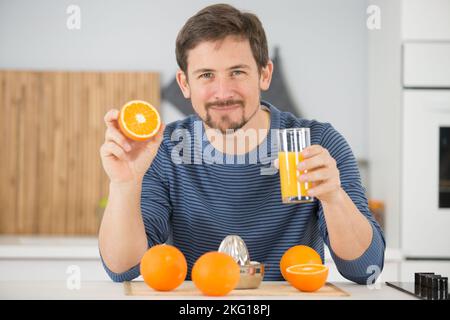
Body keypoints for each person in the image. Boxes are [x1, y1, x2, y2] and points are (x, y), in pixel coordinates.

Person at [99, 3, 385, 284]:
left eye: (237, 72)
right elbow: (123, 269)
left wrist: (334, 197)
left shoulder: (318, 143)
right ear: (185, 84)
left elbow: (366, 267)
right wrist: (125, 185)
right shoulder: (162, 150)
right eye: (206, 75)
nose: (223, 92)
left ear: (264, 74)